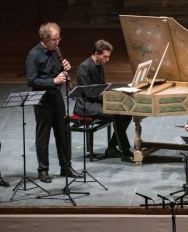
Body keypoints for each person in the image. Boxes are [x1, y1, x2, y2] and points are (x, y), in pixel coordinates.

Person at [26, 22, 81, 183]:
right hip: (42, 99)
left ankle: (66, 166)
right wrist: (54, 80)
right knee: (43, 135)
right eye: (55, 40)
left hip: (56, 96)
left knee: (63, 132)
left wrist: (65, 68)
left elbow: (59, 71)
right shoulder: (34, 55)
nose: (58, 43)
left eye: (59, 39)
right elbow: (32, 81)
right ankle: (43, 170)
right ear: (45, 39)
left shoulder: (56, 50)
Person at [73, 39, 133, 161]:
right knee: (116, 114)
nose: (107, 60)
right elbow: (89, 93)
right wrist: (110, 97)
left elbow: (102, 86)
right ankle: (124, 150)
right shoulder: (84, 68)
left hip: (97, 102)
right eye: (105, 57)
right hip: (86, 106)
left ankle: (111, 147)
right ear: (96, 54)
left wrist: (113, 95)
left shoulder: (99, 66)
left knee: (127, 113)